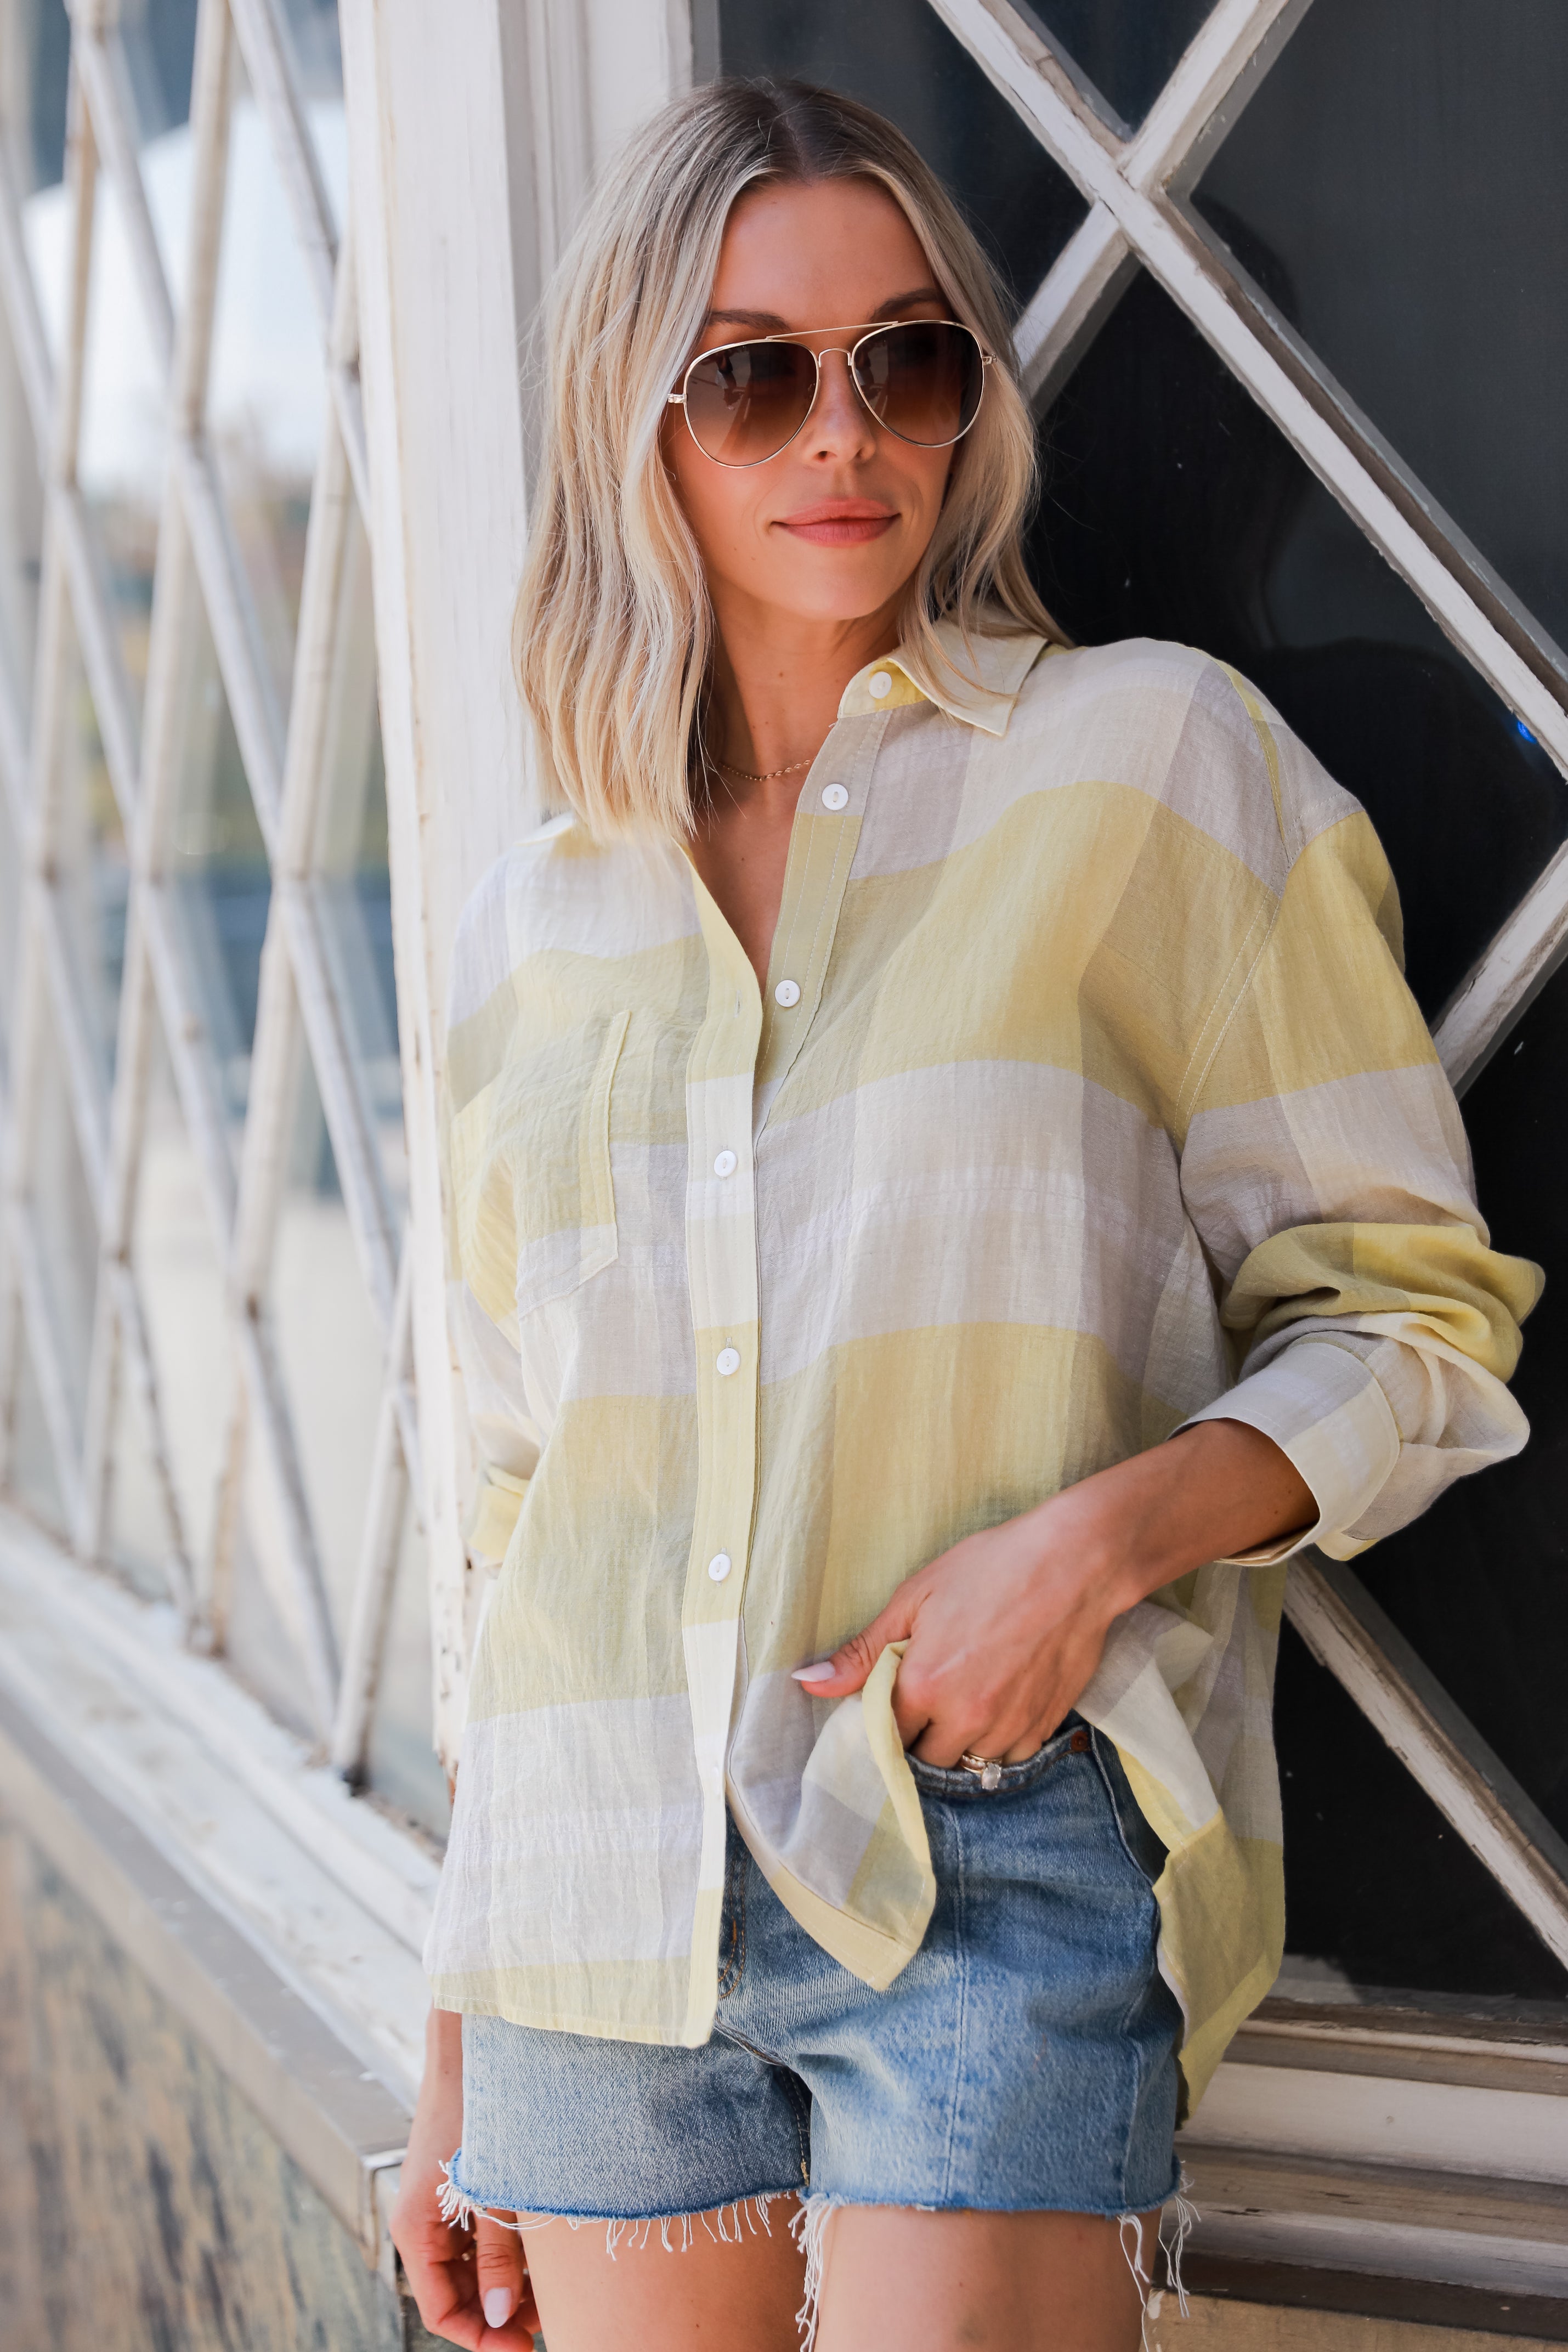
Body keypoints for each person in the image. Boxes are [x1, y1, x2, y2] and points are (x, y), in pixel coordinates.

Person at [389, 77, 1539, 2352]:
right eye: (753, 376)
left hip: (987, 1846)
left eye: (904, 360)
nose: (845, 435)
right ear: (637, 420)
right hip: (588, 1895)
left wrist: (1091, 1547)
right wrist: (454, 2045)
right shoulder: (537, 923)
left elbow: (1416, 1321)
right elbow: (520, 1527)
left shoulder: (1145, 768)